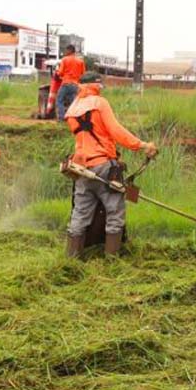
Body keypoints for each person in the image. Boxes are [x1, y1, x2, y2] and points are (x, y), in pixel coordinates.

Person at [64, 71, 158, 257]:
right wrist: (142, 145)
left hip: (81, 169)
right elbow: (116, 131)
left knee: (80, 214)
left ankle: (71, 259)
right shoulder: (100, 103)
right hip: (104, 168)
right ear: (96, 85)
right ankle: (112, 259)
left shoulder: (72, 109)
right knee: (115, 212)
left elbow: (87, 139)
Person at [55, 44, 86, 121]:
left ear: (70, 50)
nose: (65, 52)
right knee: (73, 103)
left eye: (66, 50)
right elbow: (83, 74)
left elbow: (60, 72)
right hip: (76, 85)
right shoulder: (80, 61)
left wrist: (57, 72)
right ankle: (73, 119)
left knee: (59, 100)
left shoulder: (65, 59)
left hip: (66, 83)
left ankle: (61, 118)